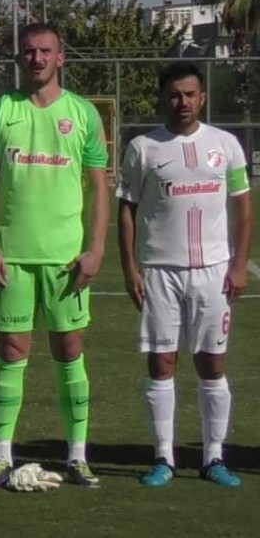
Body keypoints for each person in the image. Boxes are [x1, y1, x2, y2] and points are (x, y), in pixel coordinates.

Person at [0, 22, 110, 488]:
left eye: (45, 51)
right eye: (29, 51)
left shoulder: (84, 114)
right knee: (12, 353)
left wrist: (95, 249)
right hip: (12, 257)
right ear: (19, 58)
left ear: (60, 58)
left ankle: (77, 455)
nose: (37, 58)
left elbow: (99, 188)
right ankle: (1, 455)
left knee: (70, 351)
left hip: (66, 259)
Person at [117, 62, 252, 488]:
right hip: (160, 271)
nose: (183, 102)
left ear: (202, 97)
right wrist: (130, 267)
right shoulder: (143, 147)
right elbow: (126, 209)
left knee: (212, 362)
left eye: (190, 94)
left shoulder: (226, 145)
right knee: (162, 362)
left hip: (213, 271)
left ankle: (213, 457)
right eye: (175, 95)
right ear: (163, 99)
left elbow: (243, 208)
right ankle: (163, 458)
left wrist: (239, 264)